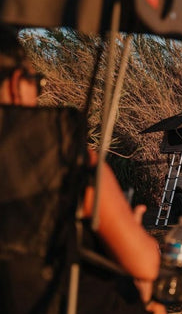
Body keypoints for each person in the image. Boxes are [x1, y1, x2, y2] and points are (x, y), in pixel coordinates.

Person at [0, 24, 165, 314]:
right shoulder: (67, 161)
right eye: (37, 83)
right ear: (15, 84)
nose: (38, 94)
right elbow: (144, 263)